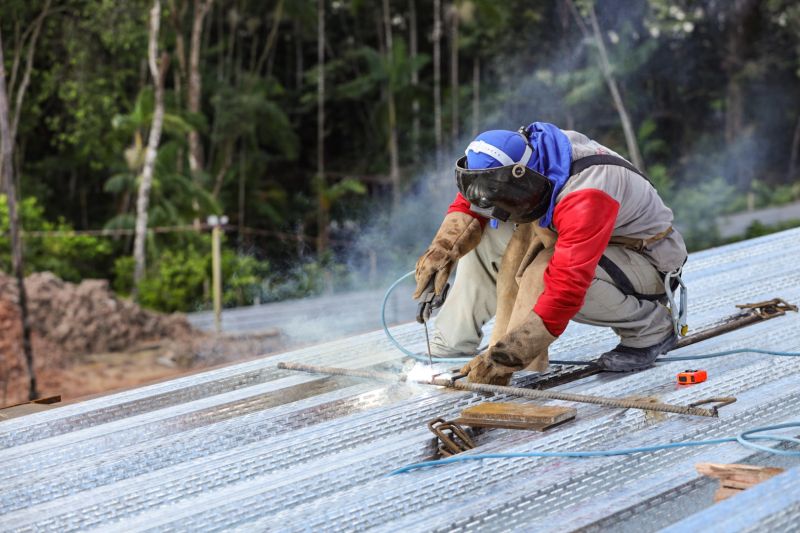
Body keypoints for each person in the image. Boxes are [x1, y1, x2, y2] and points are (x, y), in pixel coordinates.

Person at [413, 122, 688, 385]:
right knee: (482, 240)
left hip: (645, 262)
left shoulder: (587, 191)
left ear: (522, 175)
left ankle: (651, 329)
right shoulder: (531, 155)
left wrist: (509, 358)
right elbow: (474, 199)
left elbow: (566, 289)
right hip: (590, 241)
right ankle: (451, 344)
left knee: (543, 273)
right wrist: (443, 251)